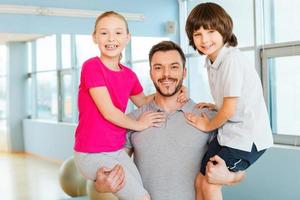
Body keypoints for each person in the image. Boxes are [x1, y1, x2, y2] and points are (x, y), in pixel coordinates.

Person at [93, 41, 244, 200]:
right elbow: (111, 167)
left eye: (174, 67)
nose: (166, 74)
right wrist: (100, 184)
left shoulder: (208, 118)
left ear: (184, 72)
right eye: (158, 67)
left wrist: (229, 177)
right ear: (151, 73)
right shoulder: (132, 120)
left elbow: (239, 171)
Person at [73, 11, 171, 200]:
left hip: (117, 151)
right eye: (104, 33)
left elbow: (143, 102)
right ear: (95, 37)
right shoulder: (92, 67)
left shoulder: (129, 75)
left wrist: (170, 90)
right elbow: (109, 112)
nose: (111, 38)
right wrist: (139, 125)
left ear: (128, 37)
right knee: (141, 198)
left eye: (118, 33)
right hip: (91, 153)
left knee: (142, 195)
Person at [185, 2, 273, 200]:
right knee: (199, 180)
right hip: (231, 133)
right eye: (198, 34)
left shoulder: (232, 60)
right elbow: (233, 100)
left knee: (210, 183)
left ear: (224, 30)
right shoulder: (211, 60)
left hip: (248, 138)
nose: (204, 39)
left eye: (210, 32)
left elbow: (229, 111)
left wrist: (207, 124)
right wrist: (216, 106)